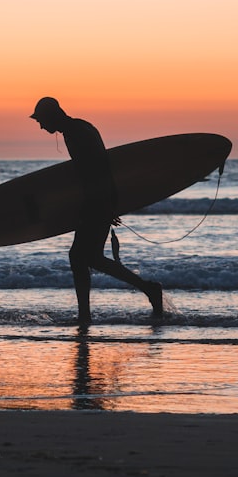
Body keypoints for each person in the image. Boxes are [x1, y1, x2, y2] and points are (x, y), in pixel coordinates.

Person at [30, 97, 164, 326]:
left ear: (52, 115)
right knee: (87, 257)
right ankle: (144, 290)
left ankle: (93, 311)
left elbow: (94, 172)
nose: (41, 126)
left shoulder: (75, 134)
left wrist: (100, 204)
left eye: (41, 120)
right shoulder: (81, 127)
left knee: (81, 257)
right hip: (101, 199)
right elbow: (98, 168)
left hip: (97, 200)